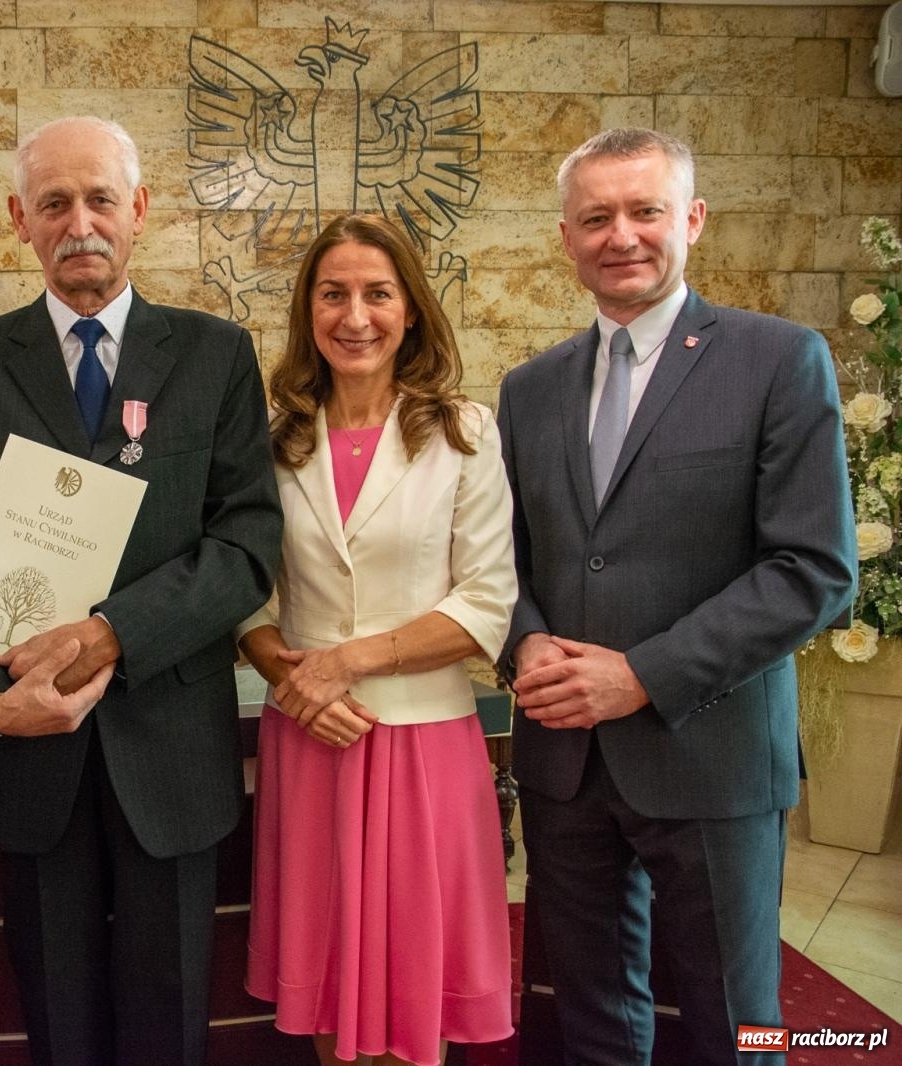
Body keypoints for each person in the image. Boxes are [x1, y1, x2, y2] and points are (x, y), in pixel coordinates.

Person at [0, 115, 282, 1065]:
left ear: (139, 212)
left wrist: (114, 632)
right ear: (20, 220)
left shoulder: (215, 355)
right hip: (30, 757)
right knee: (61, 1028)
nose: (79, 222)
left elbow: (247, 543)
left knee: (170, 1025)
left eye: (100, 200)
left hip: (171, 750)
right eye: (54, 203)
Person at [497, 128, 857, 1065]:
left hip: (713, 755)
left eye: (645, 210)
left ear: (691, 220)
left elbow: (812, 569)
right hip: (564, 761)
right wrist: (526, 642)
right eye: (596, 217)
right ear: (566, 238)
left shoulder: (779, 360)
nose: (622, 235)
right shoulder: (528, 390)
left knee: (738, 1020)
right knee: (590, 1013)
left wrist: (644, 675)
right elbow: (509, 561)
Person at [237, 214, 517, 1066]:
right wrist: (292, 681)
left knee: (411, 983)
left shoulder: (464, 433)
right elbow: (250, 598)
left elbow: (487, 602)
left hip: (425, 743)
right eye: (333, 294)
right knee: (327, 978)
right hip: (311, 740)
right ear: (308, 312)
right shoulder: (274, 440)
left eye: (377, 293)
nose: (354, 316)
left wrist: (346, 663)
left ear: (412, 311)